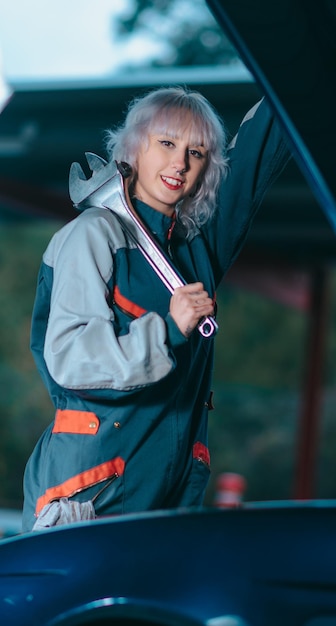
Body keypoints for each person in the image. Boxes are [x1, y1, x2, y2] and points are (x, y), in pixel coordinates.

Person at [22, 85, 289, 532]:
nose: (180, 163)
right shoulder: (94, 234)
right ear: (134, 148)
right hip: (91, 494)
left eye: (196, 152)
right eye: (166, 143)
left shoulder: (192, 254)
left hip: (167, 495)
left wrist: (297, 72)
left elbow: (257, 157)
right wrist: (167, 330)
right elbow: (70, 358)